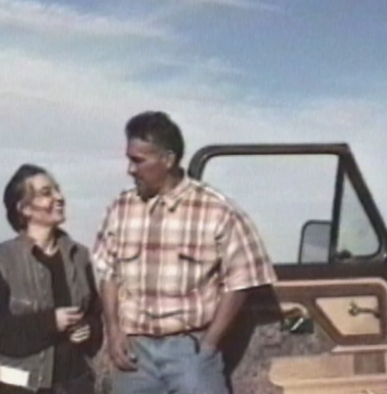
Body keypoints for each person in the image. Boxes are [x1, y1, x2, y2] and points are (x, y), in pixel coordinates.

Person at [92, 111, 277, 394]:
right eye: (130, 159)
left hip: (190, 352)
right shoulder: (122, 208)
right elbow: (108, 272)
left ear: (167, 159)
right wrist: (114, 332)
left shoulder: (217, 210)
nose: (130, 169)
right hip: (134, 354)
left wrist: (209, 346)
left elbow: (242, 281)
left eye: (138, 161)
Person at [0, 164, 104, 394]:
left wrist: (87, 329)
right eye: (47, 193)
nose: (59, 197)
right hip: (23, 388)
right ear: (24, 208)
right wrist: (50, 323)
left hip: (77, 385)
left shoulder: (80, 256)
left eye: (57, 190)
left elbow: (95, 314)